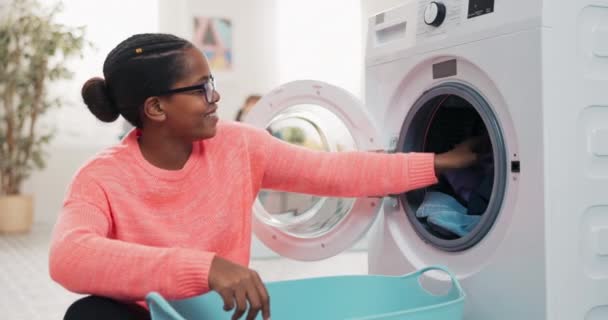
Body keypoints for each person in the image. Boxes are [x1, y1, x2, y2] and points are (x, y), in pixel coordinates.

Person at [49, 33, 481, 320]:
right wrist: (205, 267)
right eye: (200, 89)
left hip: (223, 313)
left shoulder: (238, 145)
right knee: (88, 315)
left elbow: (333, 171)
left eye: (211, 83)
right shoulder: (101, 177)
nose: (215, 97)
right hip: (158, 315)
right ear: (156, 109)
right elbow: (69, 257)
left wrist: (436, 163)